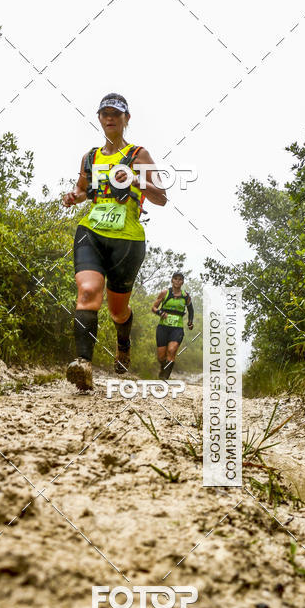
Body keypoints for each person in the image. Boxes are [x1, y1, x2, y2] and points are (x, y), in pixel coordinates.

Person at [62, 93, 167, 391]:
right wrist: (73, 197)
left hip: (127, 241)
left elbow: (161, 197)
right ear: (99, 118)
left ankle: (123, 344)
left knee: (117, 311)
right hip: (91, 232)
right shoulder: (90, 158)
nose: (110, 118)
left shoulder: (138, 155)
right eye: (105, 113)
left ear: (126, 119)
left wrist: (136, 180)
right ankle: (83, 364)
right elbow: (83, 190)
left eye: (116, 114)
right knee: (87, 291)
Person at [151, 271, 194, 379]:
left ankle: (165, 377)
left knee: (172, 350)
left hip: (177, 328)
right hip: (163, 327)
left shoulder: (186, 296)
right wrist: (160, 312)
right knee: (161, 356)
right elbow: (154, 308)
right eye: (175, 279)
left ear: (182, 282)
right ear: (172, 280)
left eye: (180, 279)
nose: (177, 281)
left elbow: (191, 310)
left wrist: (190, 322)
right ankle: (163, 368)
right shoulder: (165, 293)